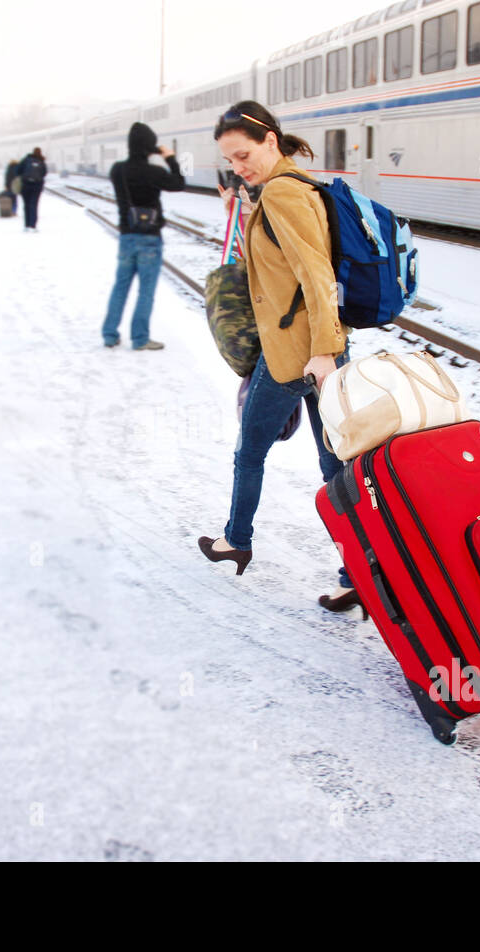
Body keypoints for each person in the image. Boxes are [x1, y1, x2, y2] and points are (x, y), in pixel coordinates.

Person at [198, 101, 355, 612]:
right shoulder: (286, 187)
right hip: (314, 352)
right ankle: (361, 572)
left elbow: (315, 275)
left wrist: (326, 351)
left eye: (244, 155)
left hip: (298, 356)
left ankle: (235, 539)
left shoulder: (285, 193)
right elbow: (277, 268)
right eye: (231, 161)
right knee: (335, 468)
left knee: (251, 450)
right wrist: (238, 215)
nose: (239, 168)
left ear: (270, 139)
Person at [102, 123, 185, 351]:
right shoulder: (154, 173)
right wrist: (169, 158)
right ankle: (140, 338)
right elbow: (179, 183)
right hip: (150, 239)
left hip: (127, 237)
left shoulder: (117, 170)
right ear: (150, 146)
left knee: (120, 286)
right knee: (145, 291)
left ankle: (110, 334)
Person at [16, 147, 47, 230]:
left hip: (25, 185)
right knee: (34, 205)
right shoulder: (41, 161)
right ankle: (33, 225)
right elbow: (44, 173)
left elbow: (18, 170)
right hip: (37, 186)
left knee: (26, 205)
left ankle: (26, 225)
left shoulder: (26, 160)